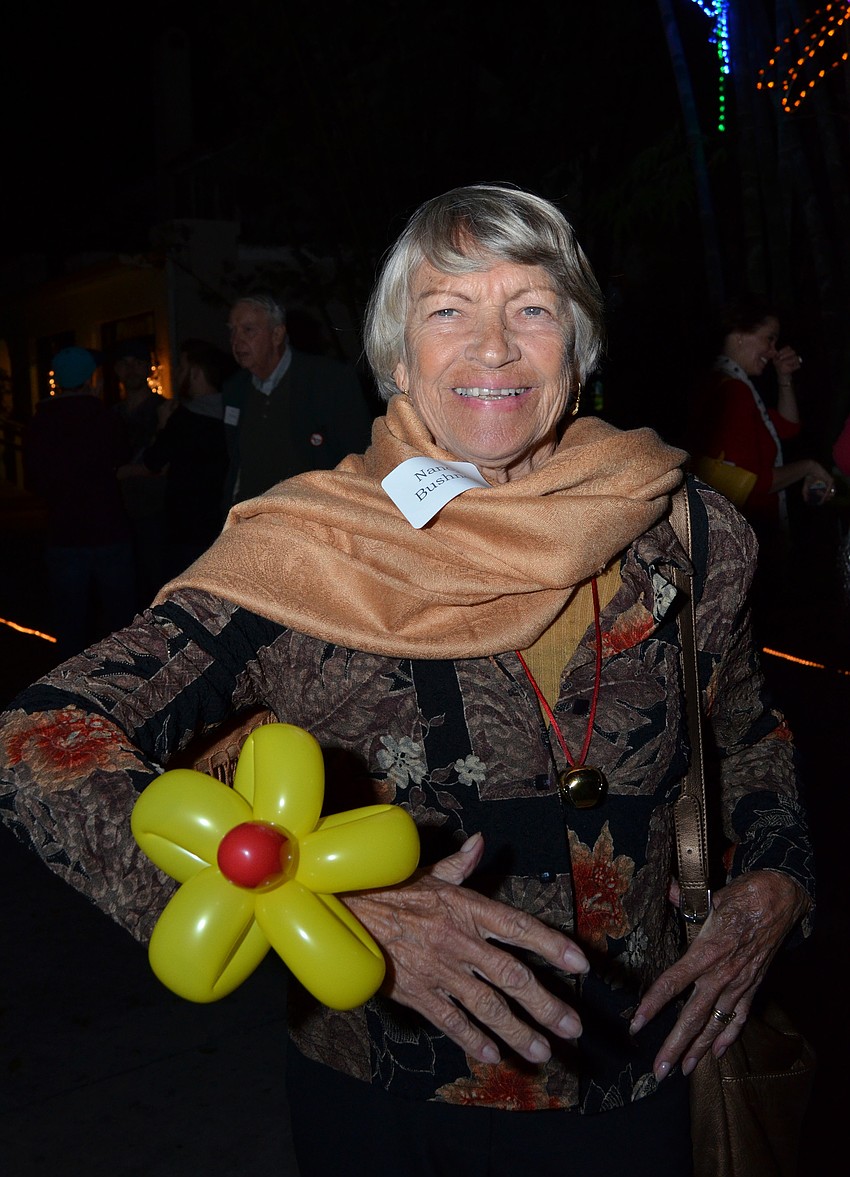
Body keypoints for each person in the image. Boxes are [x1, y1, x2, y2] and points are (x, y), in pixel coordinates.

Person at [1, 186, 813, 1176]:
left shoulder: (686, 530)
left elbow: (745, 729)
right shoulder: (309, 553)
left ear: (580, 343)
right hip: (391, 1094)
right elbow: (39, 734)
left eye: (531, 307)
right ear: (397, 355)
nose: (493, 348)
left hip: (638, 1078)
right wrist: (316, 903)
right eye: (447, 310)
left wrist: (778, 877)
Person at [686, 295, 835, 618]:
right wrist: (810, 466)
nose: (773, 350)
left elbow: (788, 427)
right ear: (739, 332)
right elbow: (751, 485)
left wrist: (784, 377)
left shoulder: (725, 384)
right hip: (746, 543)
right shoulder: (734, 392)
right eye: (769, 339)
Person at [22, 345, 137, 661]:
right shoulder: (103, 417)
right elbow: (122, 456)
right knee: (120, 622)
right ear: (91, 379)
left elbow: (33, 479)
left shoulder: (39, 422)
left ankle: (71, 690)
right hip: (109, 530)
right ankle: (123, 683)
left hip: (64, 533)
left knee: (70, 623)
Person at [222, 290, 375, 507]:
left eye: (248, 330)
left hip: (311, 517)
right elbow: (236, 461)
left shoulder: (328, 380)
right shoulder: (234, 390)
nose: (236, 341)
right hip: (251, 517)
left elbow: (358, 455)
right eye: (232, 331)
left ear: (277, 335)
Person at [136, 338, 233, 579]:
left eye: (181, 368)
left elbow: (153, 461)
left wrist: (161, 426)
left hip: (186, 526)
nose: (177, 374)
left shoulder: (184, 418)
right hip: (223, 522)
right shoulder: (234, 414)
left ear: (196, 373)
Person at [111, 337, 169, 608]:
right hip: (117, 516)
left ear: (148, 368)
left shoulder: (164, 410)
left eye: (138, 363)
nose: (131, 369)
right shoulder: (110, 415)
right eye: (124, 363)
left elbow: (168, 463)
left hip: (156, 513)